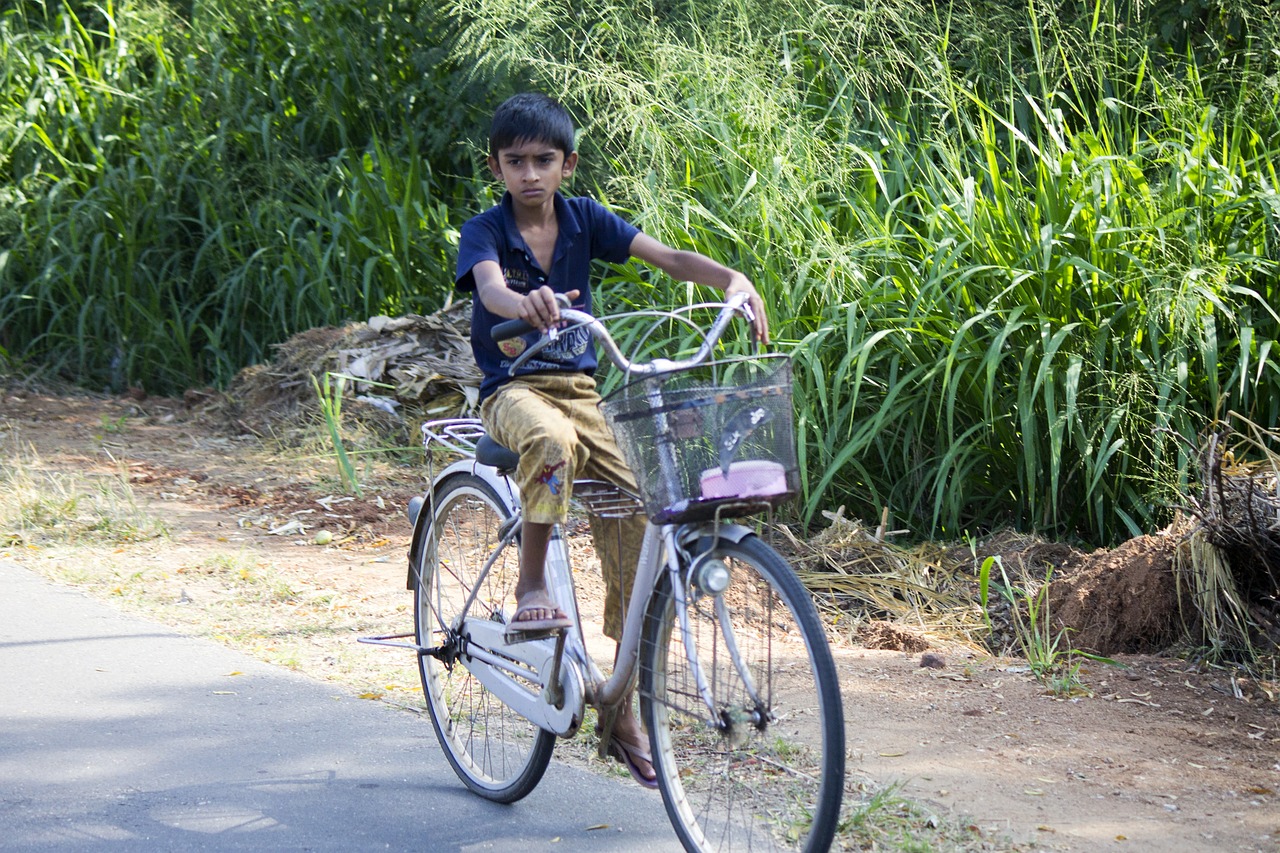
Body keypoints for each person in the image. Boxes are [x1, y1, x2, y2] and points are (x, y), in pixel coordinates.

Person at [454, 92, 769, 788]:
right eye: (515, 162)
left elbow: (667, 255)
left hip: (583, 390)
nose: (530, 174)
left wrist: (730, 279)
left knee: (643, 509)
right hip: (514, 389)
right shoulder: (485, 231)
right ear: (496, 167)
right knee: (551, 444)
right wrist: (521, 301)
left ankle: (619, 705)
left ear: (567, 164)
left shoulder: (583, 218)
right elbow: (490, 291)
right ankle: (532, 581)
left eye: (543, 160)